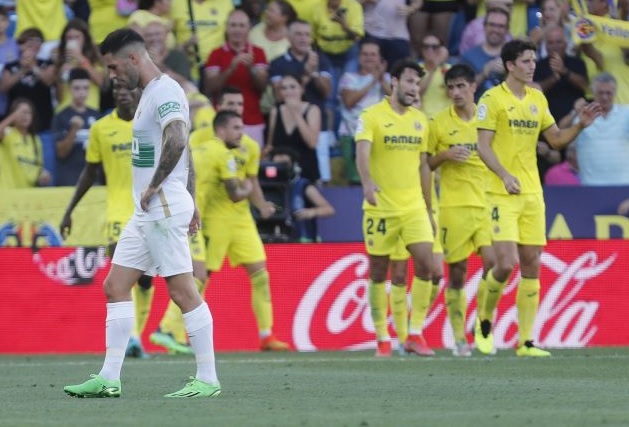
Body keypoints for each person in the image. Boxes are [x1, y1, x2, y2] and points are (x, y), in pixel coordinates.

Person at [64, 28, 220, 398]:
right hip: (149, 209)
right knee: (115, 286)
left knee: (183, 292)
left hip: (160, 206)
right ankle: (109, 377)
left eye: (114, 66)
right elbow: (187, 152)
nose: (112, 75)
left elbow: (180, 138)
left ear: (133, 58)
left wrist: (157, 186)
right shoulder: (150, 93)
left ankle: (208, 378)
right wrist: (191, 196)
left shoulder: (165, 91)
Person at [475, 39, 601, 357]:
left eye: (534, 59)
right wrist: (504, 175)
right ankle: (484, 319)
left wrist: (580, 127)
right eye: (527, 61)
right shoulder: (492, 99)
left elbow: (556, 139)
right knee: (505, 264)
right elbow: (483, 146)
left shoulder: (536, 98)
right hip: (500, 192)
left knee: (532, 265)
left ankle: (526, 341)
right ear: (510, 66)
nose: (533, 65)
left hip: (532, 192)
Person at [59, 80, 154, 359]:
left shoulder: (149, 125)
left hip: (149, 211)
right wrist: (69, 211)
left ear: (138, 92)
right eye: (116, 90)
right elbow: (89, 173)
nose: (122, 93)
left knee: (147, 281)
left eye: (127, 89)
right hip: (118, 212)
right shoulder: (101, 128)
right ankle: (132, 338)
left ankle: (138, 336)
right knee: (123, 277)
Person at [355, 59, 434, 358]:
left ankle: (415, 333)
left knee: (427, 265)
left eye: (417, 83)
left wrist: (428, 206)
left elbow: (424, 164)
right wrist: (366, 183)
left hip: (413, 207)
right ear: (394, 82)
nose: (414, 88)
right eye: (410, 81)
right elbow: (362, 151)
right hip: (381, 207)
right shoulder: (372, 116)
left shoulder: (420, 120)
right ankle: (382, 339)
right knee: (379, 271)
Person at [195, 108, 292, 351]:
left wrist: (261, 206)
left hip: (242, 219)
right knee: (200, 277)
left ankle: (266, 335)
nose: (241, 131)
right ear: (221, 126)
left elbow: (253, 180)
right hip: (214, 217)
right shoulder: (202, 140)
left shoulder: (250, 146)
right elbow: (239, 188)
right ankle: (179, 330)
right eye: (236, 126)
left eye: (240, 104)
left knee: (260, 274)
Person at [426, 64, 496, 357]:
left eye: (460, 86)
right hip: (454, 207)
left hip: (489, 204)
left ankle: (483, 324)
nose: (455, 92)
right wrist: (445, 155)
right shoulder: (439, 123)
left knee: (496, 266)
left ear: (473, 87)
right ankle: (459, 338)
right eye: (450, 87)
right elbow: (426, 164)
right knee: (457, 273)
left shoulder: (489, 118)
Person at [203, 9, 268, 146]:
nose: (237, 30)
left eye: (241, 25)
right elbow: (210, 87)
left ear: (249, 28)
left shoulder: (258, 53)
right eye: (233, 25)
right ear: (226, 27)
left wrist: (251, 68)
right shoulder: (216, 54)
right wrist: (231, 68)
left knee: (253, 164)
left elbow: (262, 86)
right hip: (222, 123)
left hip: (252, 121)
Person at [338, 38, 390, 184]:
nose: (369, 57)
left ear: (380, 58)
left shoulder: (386, 78)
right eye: (365, 54)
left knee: (380, 179)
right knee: (355, 180)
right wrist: (373, 79)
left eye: (373, 54)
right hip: (352, 134)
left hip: (380, 135)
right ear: (359, 57)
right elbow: (349, 102)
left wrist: (381, 79)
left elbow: (395, 100)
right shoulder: (349, 77)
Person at [571, 73, 629, 186]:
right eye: (600, 93)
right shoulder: (582, 115)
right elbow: (561, 139)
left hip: (624, 186)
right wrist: (575, 113)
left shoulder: (626, 113)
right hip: (591, 186)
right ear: (593, 93)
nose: (605, 97)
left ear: (615, 93)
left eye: (609, 93)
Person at [270, 146, 336, 242]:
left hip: (303, 243)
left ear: (294, 166)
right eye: (277, 164)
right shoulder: (267, 187)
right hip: (274, 242)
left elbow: (329, 210)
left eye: (284, 164)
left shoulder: (303, 186)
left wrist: (311, 212)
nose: (281, 168)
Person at [266, 73, 321, 183]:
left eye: (292, 87)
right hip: (281, 170)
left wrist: (296, 113)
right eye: (284, 88)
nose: (288, 91)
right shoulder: (275, 111)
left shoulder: (312, 109)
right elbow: (270, 145)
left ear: (302, 89)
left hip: (306, 170)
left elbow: (312, 142)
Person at [52, 68, 101, 186]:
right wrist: (73, 130)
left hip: (94, 181)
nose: (81, 92)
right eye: (77, 88)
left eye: (85, 88)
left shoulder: (97, 115)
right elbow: (61, 153)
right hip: (68, 180)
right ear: (69, 89)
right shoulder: (61, 117)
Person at [0, 98, 51, 188]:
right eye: (21, 113)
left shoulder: (35, 140)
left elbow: (38, 166)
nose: (24, 116)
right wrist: (14, 116)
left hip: (28, 193)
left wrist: (43, 176)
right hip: (7, 192)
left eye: (28, 112)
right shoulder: (7, 133)